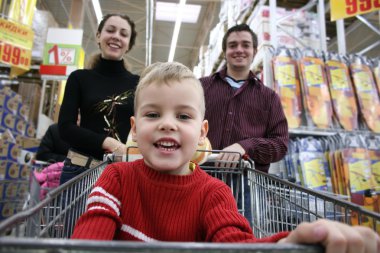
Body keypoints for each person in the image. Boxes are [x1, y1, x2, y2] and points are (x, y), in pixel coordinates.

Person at [71, 62, 380, 252]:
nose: (168, 123)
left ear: (202, 132)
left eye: (183, 115)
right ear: (135, 130)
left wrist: (287, 245)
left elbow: (234, 242)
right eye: (153, 114)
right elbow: (93, 229)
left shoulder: (214, 193)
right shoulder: (117, 178)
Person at [58, 13, 139, 184]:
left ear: (128, 45)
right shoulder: (79, 78)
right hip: (78, 171)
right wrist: (107, 142)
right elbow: (65, 127)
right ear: (98, 36)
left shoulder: (138, 84)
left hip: (121, 173)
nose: (116, 36)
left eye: (123, 34)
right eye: (110, 30)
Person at [200, 23, 288, 172]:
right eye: (233, 45)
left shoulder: (269, 97)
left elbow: (280, 144)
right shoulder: (201, 87)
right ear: (225, 52)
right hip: (201, 177)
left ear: (254, 51)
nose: (239, 50)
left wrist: (246, 146)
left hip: (246, 184)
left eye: (246, 45)